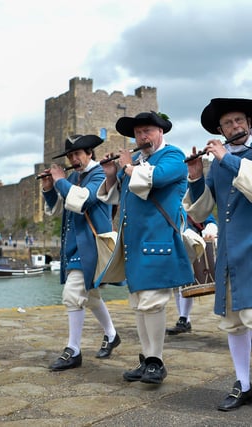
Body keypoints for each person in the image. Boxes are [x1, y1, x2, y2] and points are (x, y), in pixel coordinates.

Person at [184, 98, 252, 411]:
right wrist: (195, 176)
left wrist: (225, 159)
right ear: (220, 129)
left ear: (249, 122)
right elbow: (203, 208)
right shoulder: (218, 162)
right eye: (228, 123)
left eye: (239, 121)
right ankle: (243, 384)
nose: (235, 127)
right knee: (233, 322)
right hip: (230, 252)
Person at [98, 111, 194, 385]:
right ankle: (147, 358)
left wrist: (128, 167)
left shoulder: (174, 156)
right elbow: (119, 197)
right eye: (138, 133)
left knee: (153, 303)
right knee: (139, 304)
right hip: (135, 244)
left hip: (160, 240)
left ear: (161, 132)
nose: (142, 137)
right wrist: (111, 175)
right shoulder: (139, 163)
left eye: (148, 131)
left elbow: (158, 179)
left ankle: (156, 361)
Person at [41, 134, 121, 371]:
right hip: (76, 245)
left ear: (89, 154)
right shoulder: (75, 176)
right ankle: (112, 334)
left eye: (77, 154)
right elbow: (56, 209)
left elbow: (84, 200)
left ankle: (73, 350)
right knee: (92, 296)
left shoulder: (100, 175)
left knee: (73, 294)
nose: (73, 159)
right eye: (70, 155)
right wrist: (49, 188)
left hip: (92, 244)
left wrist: (59, 181)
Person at [167, 213, 218, 335]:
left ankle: (184, 318)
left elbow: (208, 217)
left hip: (191, 244)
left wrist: (209, 229)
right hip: (173, 242)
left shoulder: (191, 197)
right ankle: (184, 319)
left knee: (186, 284)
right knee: (176, 286)